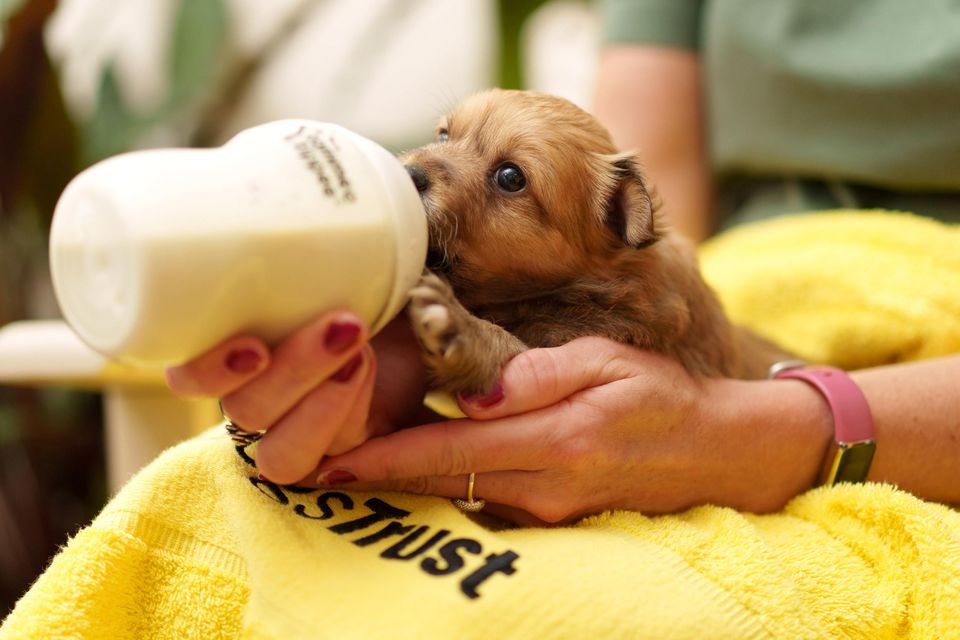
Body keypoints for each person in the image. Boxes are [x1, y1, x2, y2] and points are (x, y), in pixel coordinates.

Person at [166, 0, 960, 525]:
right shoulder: (601, 225)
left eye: (508, 180)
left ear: (620, 231)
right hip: (752, 266)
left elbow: (564, 363)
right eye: (447, 134)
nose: (429, 168)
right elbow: (657, 165)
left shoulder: (635, 299)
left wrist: (467, 343)